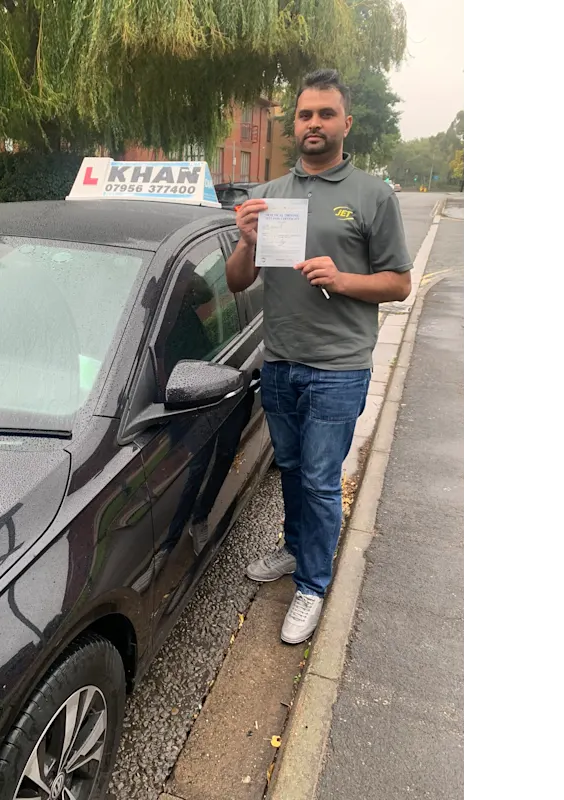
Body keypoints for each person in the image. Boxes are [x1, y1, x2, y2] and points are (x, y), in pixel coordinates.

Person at [225, 69, 412, 645]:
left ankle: (312, 583)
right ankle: (292, 546)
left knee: (321, 479)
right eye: (305, 115)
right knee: (290, 471)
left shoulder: (372, 194)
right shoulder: (271, 196)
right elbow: (237, 282)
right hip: (279, 360)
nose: (313, 124)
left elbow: (400, 283)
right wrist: (247, 242)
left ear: (344, 123)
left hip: (338, 366)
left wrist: (343, 278)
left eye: (325, 114)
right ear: (295, 124)